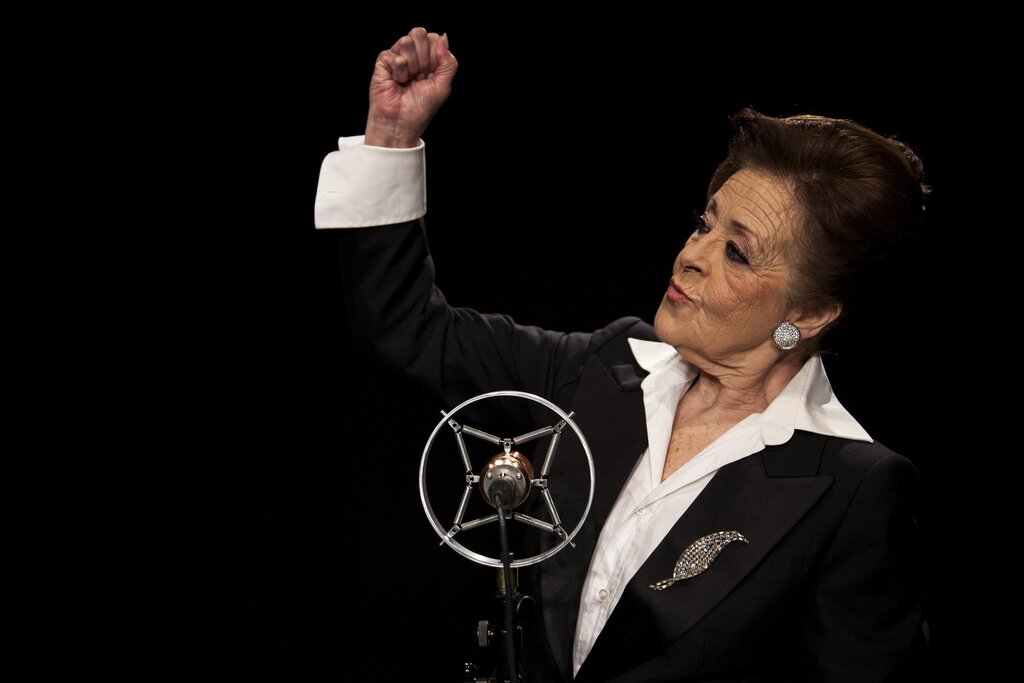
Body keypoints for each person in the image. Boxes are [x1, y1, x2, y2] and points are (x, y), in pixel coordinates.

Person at [316, 27, 928, 682]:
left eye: (737, 252)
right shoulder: (605, 366)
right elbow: (406, 327)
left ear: (807, 315)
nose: (691, 255)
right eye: (704, 223)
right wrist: (392, 134)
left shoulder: (852, 491)